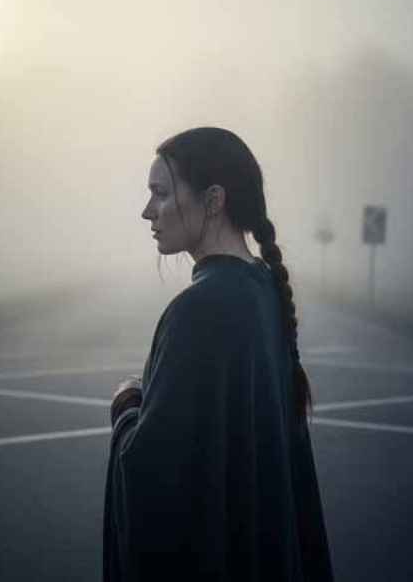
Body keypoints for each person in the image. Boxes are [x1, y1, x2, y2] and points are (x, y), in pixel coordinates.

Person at [103, 127, 334, 581]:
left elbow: (152, 481)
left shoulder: (197, 311)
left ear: (213, 200)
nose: (147, 211)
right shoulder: (264, 289)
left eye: (161, 193)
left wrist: (127, 406)